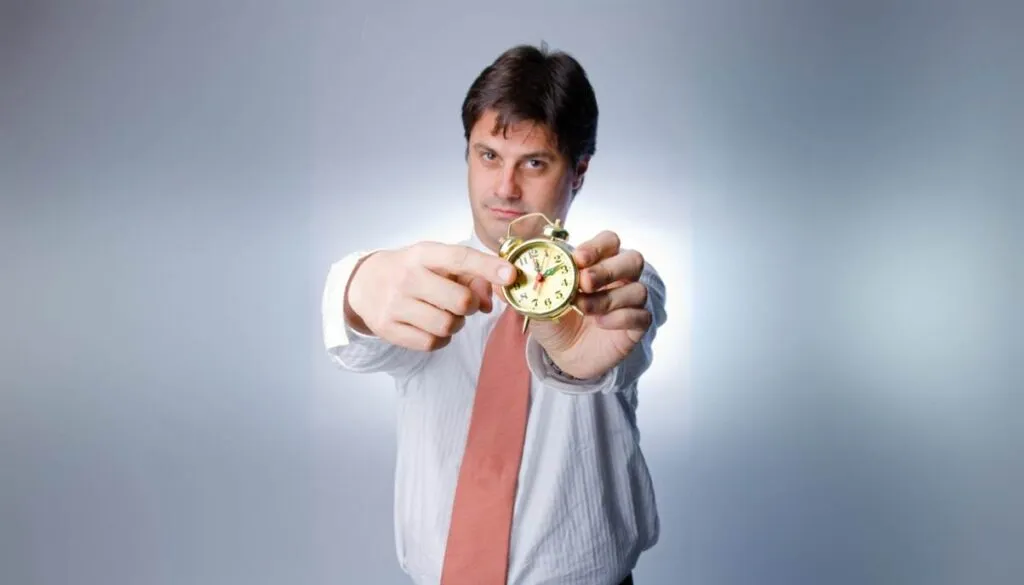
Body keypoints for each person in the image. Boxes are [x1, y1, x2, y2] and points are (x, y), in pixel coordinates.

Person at [321, 43, 667, 585]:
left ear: (578, 172)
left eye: (533, 162)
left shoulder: (621, 284)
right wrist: (356, 284)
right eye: (488, 156)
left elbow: (619, 356)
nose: (505, 188)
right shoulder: (425, 285)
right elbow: (358, 335)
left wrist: (582, 360)